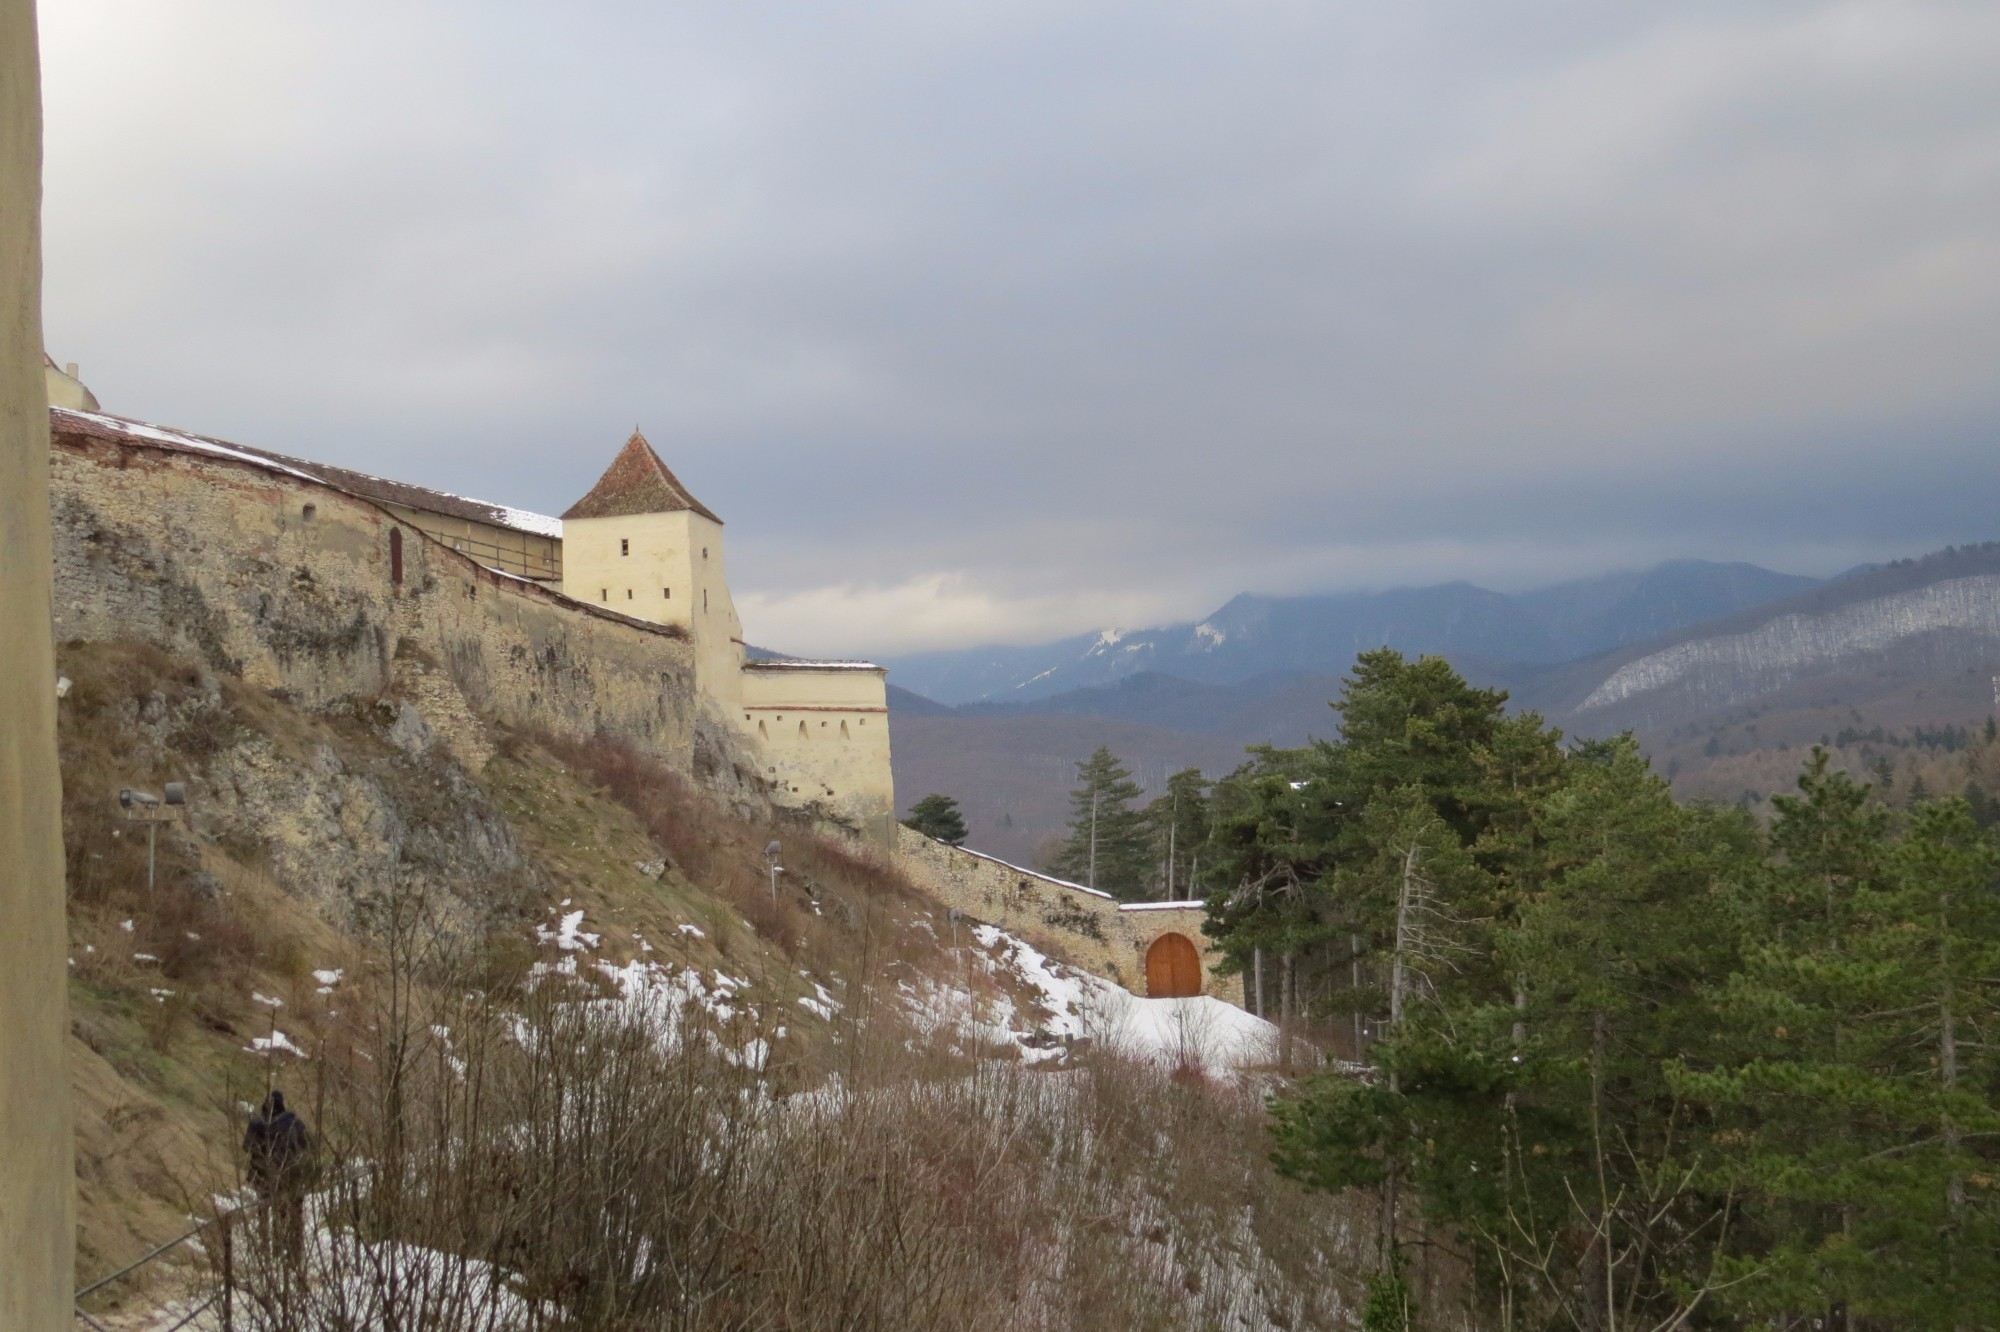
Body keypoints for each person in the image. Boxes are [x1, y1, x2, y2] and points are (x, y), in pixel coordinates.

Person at [243, 1090, 312, 1267]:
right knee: (291, 1215)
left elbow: (247, 1147)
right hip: (292, 1178)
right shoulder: (295, 1124)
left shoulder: (257, 1125)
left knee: (264, 1212)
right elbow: (307, 1147)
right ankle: (293, 1254)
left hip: (263, 1176)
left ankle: (265, 1254)